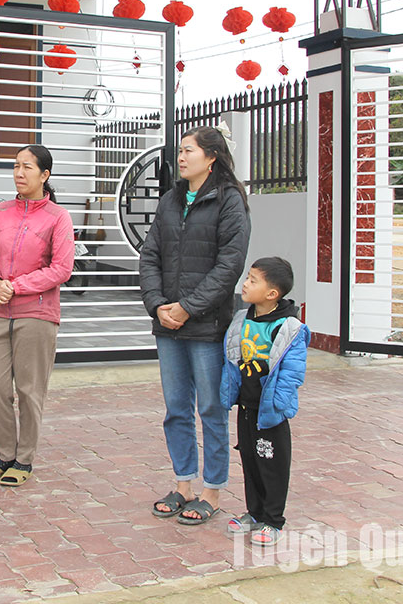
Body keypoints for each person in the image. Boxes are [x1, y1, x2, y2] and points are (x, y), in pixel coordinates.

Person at [141, 125, 251, 525]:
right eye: (181, 150)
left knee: (210, 408)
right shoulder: (170, 200)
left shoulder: (230, 200)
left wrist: (188, 307)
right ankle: (183, 484)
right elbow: (150, 255)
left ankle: (212, 490)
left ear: (212, 156)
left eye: (189, 150)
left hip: (207, 326)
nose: (182, 157)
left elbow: (229, 266)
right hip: (168, 325)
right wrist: (157, 305)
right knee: (176, 409)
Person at [0, 144, 75, 487]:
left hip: (38, 313)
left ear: (45, 175)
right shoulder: (1, 212)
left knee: (30, 390)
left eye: (27, 167)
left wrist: (16, 286)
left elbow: (61, 268)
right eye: (16, 166)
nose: (19, 173)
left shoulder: (58, 217)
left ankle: (24, 459)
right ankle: (5, 455)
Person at [220, 257, 310, 547]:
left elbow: (292, 373)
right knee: (250, 460)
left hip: (269, 411)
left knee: (272, 464)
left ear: (272, 293)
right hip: (246, 407)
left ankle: (273, 520)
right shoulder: (242, 319)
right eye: (247, 278)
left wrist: (276, 407)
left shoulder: (289, 328)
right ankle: (254, 512)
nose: (245, 284)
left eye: (253, 280)